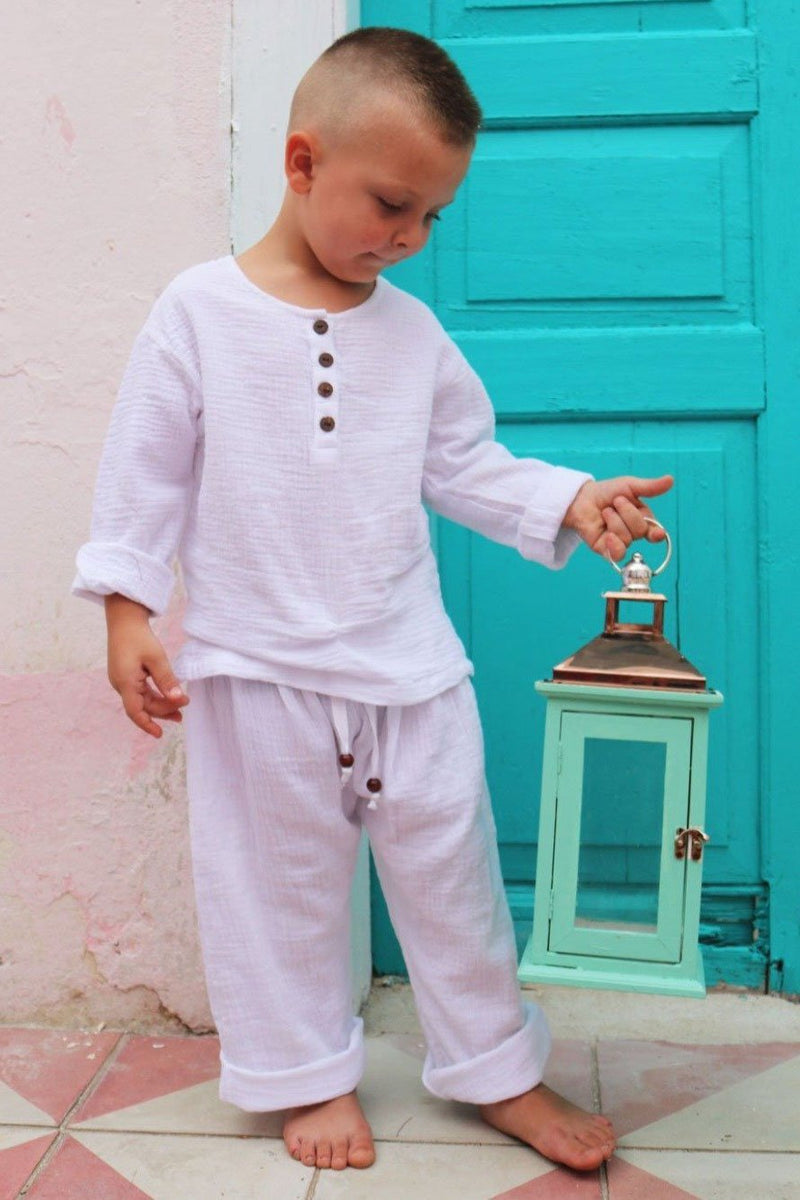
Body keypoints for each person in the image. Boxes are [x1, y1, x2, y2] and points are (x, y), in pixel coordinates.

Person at [73, 26, 672, 1175]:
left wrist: (567, 499)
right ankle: (302, 1072)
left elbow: (464, 463)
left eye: (430, 217)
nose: (407, 238)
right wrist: (125, 610)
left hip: (408, 668)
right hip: (257, 670)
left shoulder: (411, 333)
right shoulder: (195, 313)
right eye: (392, 205)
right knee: (276, 885)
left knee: (452, 878)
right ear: (301, 162)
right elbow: (143, 471)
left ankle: (495, 1067)